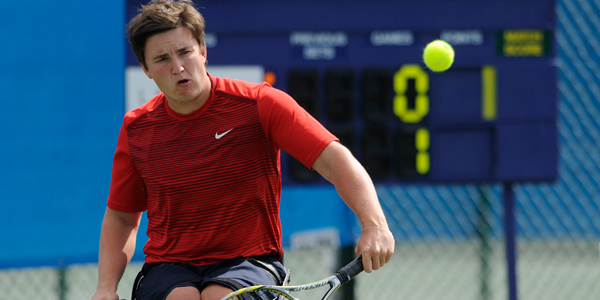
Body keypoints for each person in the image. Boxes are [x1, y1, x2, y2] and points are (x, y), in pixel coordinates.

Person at [91, 0, 394, 299]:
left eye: (185, 52)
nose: (178, 67)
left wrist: (375, 225)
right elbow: (121, 217)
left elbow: (334, 159)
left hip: (250, 261)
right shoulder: (136, 129)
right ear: (145, 68)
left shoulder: (261, 104)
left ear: (203, 52)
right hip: (168, 267)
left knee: (218, 298)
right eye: (162, 59)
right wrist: (106, 288)